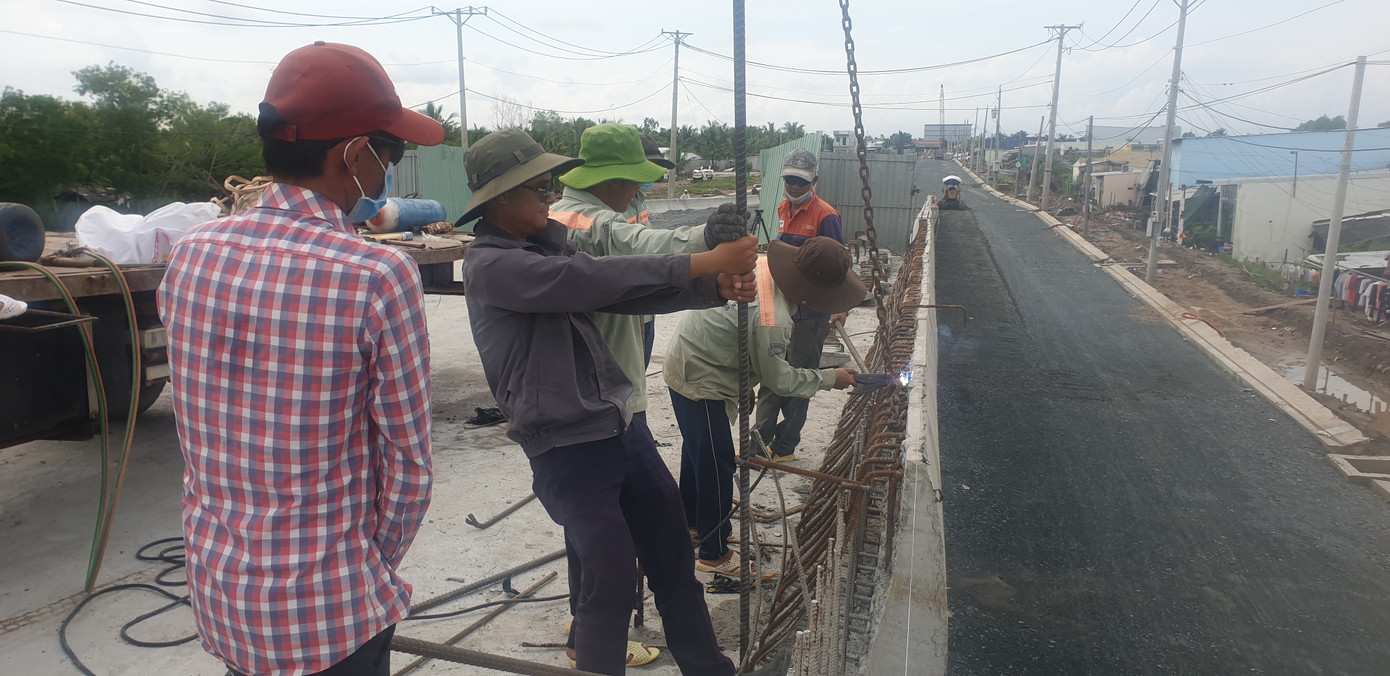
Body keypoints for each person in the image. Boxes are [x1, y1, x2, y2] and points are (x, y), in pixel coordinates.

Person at [158, 42, 442, 676]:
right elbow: (410, 464)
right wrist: (369, 565)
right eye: (388, 153)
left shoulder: (192, 253)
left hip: (222, 594)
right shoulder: (376, 272)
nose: (388, 168)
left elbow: (201, 426)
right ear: (351, 155)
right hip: (330, 613)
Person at [462, 128, 755, 675]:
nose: (551, 200)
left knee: (672, 559)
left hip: (621, 428)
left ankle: (709, 668)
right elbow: (590, 280)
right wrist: (701, 261)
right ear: (503, 198)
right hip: (566, 446)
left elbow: (623, 293)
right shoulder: (492, 265)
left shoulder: (547, 243)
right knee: (610, 577)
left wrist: (710, 288)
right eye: (541, 190)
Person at [545, 123, 744, 667]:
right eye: (635, 180)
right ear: (611, 179)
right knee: (601, 548)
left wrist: (708, 285)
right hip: (590, 412)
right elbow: (629, 247)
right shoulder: (577, 220)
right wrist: (705, 243)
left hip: (617, 400)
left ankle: (694, 660)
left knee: (636, 539)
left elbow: (639, 276)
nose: (641, 190)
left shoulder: (604, 212)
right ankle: (584, 641)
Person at [665, 237, 863, 573]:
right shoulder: (775, 319)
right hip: (700, 378)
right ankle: (715, 554)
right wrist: (832, 378)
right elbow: (780, 381)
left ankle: (693, 523)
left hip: (689, 362)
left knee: (700, 452)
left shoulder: (762, 267)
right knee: (718, 464)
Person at [756, 149, 849, 462]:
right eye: (790, 180)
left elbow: (836, 264)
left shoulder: (826, 216)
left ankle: (784, 447)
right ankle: (759, 440)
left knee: (801, 377)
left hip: (810, 313)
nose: (794, 187)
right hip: (780, 306)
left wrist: (841, 306)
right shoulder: (784, 207)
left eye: (801, 181)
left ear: (814, 181)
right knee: (772, 373)